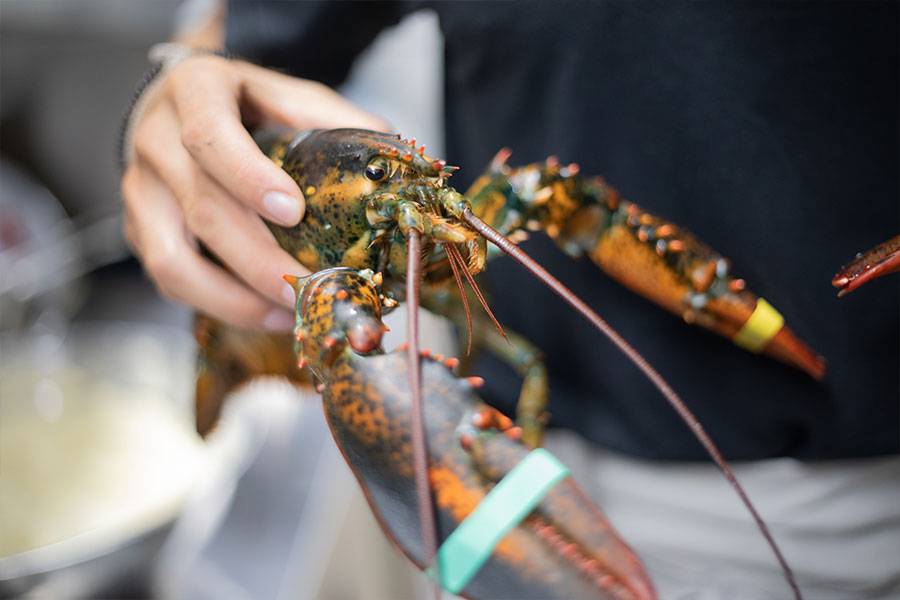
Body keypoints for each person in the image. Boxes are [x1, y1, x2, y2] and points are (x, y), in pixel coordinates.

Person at [121, 2, 899, 598]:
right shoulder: (340, 307)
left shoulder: (442, 208)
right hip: (444, 444)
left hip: (819, 515)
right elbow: (248, 29)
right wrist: (183, 73)